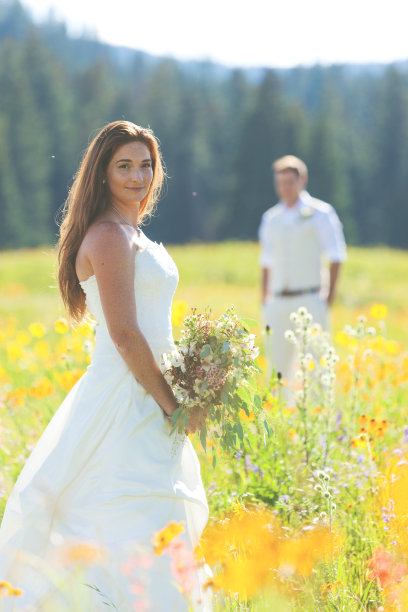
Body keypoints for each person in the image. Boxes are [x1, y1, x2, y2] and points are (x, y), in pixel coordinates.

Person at [0, 120, 212, 611]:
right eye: (124, 166)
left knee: (154, 513)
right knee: (120, 508)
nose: (138, 176)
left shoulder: (130, 230)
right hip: (129, 392)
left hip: (154, 382)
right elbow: (124, 334)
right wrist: (172, 404)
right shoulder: (110, 236)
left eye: (145, 165)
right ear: (101, 173)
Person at [258, 155, 347, 387]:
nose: (285, 188)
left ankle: (318, 419)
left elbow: (336, 254)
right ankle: (281, 421)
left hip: (311, 297)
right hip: (277, 301)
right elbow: (266, 261)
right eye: (280, 183)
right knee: (277, 370)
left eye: (289, 182)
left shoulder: (321, 213)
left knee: (318, 365)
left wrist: (328, 298)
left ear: (302, 180)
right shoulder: (270, 219)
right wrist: (264, 300)